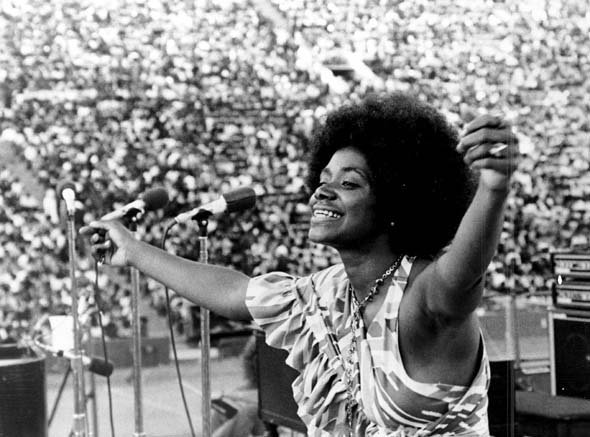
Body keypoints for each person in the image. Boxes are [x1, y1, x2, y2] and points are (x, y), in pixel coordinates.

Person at [82, 92, 519, 436]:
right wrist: (133, 251)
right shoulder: (328, 292)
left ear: (396, 204)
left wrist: (494, 188)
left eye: (349, 183)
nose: (322, 192)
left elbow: (465, 273)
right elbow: (234, 293)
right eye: (323, 180)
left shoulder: (423, 294)